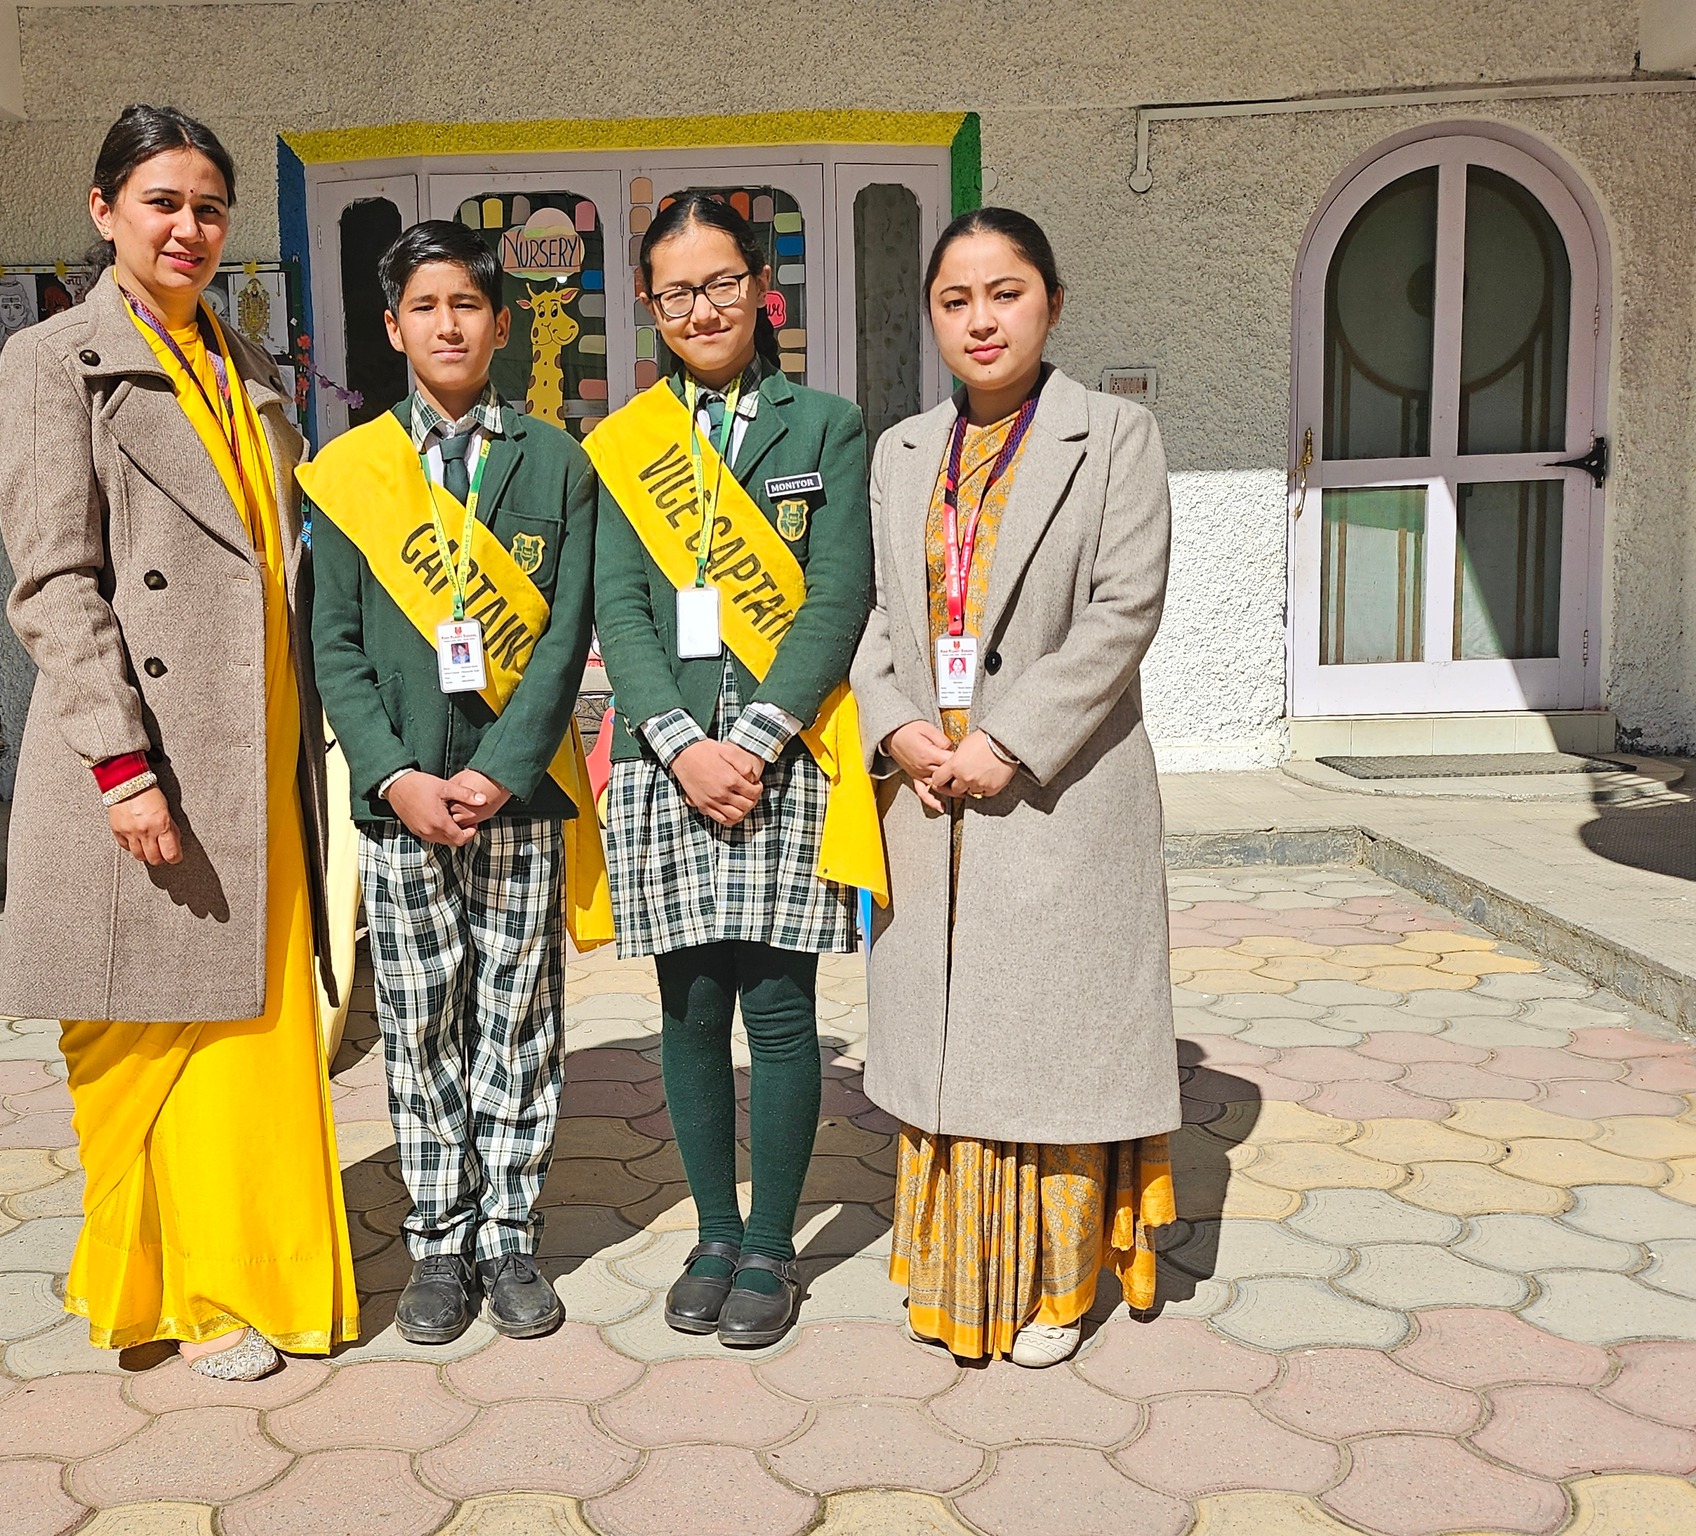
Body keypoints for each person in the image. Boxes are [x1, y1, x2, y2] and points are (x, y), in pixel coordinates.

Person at [0, 104, 359, 1380]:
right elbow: (52, 582)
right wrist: (119, 762)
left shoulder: (250, 369)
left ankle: (245, 1277)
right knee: (138, 1034)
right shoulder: (54, 362)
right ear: (103, 211)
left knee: (246, 1036)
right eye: (162, 201)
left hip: (256, 753)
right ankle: (175, 1291)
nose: (188, 228)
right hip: (144, 760)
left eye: (208, 207)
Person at [850, 207, 1180, 1368]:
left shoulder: (1115, 436)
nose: (980, 319)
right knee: (947, 1047)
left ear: (1050, 300)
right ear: (931, 316)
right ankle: (950, 1276)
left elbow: (1121, 613)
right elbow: (878, 619)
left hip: (1052, 786)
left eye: (1005, 293)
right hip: (928, 796)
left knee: (1048, 1052)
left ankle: (1053, 1288)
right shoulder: (900, 453)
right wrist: (894, 730)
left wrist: (1009, 740)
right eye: (955, 299)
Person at [301, 220, 608, 1345]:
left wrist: (497, 771)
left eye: (465, 305)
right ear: (391, 328)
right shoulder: (348, 473)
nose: (446, 323)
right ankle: (437, 1240)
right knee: (421, 1021)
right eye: (423, 307)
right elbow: (329, 643)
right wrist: (392, 776)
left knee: (517, 1021)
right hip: (399, 809)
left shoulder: (555, 463)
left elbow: (569, 628)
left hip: (513, 802)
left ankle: (509, 1234)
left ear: (499, 320)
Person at [587, 192, 884, 1349]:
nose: (699, 309)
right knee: (687, 1002)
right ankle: (711, 1231)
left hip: (783, 755)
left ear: (762, 286)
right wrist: (676, 743)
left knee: (776, 1002)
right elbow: (619, 602)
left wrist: (751, 741)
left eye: (720, 283)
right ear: (650, 307)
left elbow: (836, 594)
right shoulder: (627, 442)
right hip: (669, 762)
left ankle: (771, 1247)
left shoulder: (825, 426)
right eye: (674, 292)